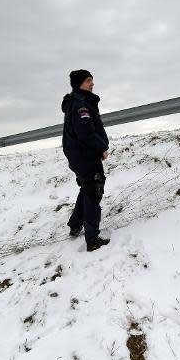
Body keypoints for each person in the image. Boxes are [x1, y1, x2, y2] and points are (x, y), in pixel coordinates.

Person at [61, 69, 111, 252]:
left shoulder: (76, 102)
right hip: (85, 156)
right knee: (93, 192)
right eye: (89, 80)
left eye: (92, 80)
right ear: (80, 83)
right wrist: (102, 148)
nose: (92, 84)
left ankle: (75, 224)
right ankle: (93, 240)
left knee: (87, 187)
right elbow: (86, 133)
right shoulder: (81, 105)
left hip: (78, 156)